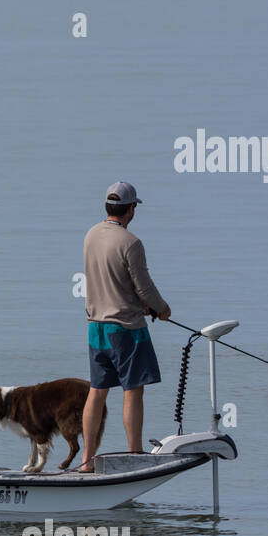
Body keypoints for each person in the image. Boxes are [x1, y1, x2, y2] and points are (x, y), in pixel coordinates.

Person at [78, 182, 171, 472]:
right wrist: (162, 308)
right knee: (133, 391)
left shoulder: (90, 235)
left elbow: (109, 280)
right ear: (131, 209)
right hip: (126, 330)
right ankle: (134, 453)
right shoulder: (131, 242)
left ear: (108, 207)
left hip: (96, 327)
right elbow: (144, 288)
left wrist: (138, 302)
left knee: (97, 390)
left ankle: (87, 460)